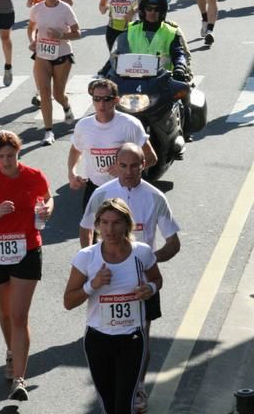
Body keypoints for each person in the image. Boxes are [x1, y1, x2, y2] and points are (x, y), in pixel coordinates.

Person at [79, 143, 180, 412]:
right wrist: (89, 262)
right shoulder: (102, 194)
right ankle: (113, 389)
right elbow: (86, 228)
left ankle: (137, 386)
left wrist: (147, 261)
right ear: (115, 166)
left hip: (140, 283)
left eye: (134, 165)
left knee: (141, 337)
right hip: (106, 278)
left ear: (143, 165)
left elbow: (173, 243)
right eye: (123, 165)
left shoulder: (155, 197)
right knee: (106, 335)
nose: (129, 171)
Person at [0, 131, 54, 401]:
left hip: (26, 248)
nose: (6, 161)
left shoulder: (34, 175)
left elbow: (48, 198)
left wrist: (48, 208)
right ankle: (12, 351)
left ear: (19, 153)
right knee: (5, 312)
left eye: (11, 156)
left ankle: (19, 378)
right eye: (1, 157)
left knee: (18, 315)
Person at [64, 197, 162, 414]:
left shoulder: (142, 253)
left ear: (127, 224)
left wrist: (151, 289)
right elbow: (69, 301)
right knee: (109, 406)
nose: (110, 229)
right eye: (104, 222)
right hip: (98, 339)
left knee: (124, 406)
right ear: (97, 225)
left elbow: (157, 279)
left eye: (116, 222)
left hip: (132, 339)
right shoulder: (86, 257)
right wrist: (93, 285)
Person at [68, 78, 157, 212]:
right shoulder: (83, 126)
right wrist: (72, 173)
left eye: (106, 99)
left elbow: (151, 158)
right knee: (90, 231)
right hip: (96, 188)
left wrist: (125, 169)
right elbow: (75, 150)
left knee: (126, 231)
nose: (101, 104)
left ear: (116, 100)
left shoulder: (129, 124)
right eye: (97, 99)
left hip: (126, 189)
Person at [28, 0, 81, 146]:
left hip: (62, 55)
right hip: (42, 54)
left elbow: (77, 33)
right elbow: (31, 28)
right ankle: (48, 131)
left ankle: (65, 105)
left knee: (57, 94)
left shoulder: (65, 9)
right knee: (44, 92)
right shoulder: (37, 9)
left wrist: (61, 35)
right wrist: (32, 41)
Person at [27, 0, 73, 108]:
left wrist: (53, 0)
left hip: (56, 26)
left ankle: (55, 94)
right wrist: (32, 2)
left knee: (52, 63)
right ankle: (40, 91)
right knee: (37, 61)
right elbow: (31, 0)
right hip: (41, 27)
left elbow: (69, 1)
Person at [115, 0, 188, 74]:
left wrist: (180, 67)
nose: (152, 12)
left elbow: (179, 54)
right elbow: (117, 54)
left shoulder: (172, 33)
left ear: (162, 12)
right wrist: (105, 71)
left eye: (157, 9)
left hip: (163, 82)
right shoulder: (130, 31)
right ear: (142, 11)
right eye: (149, 8)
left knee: (184, 86)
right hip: (132, 80)